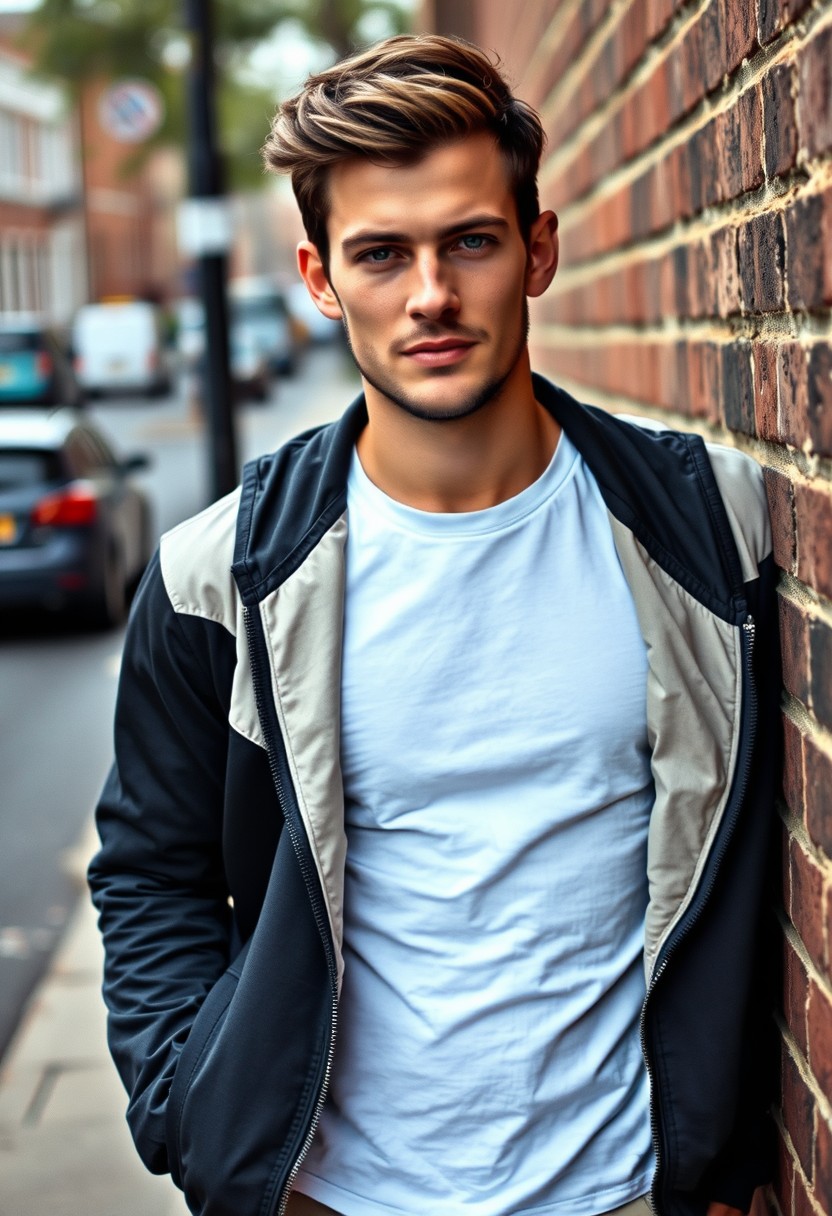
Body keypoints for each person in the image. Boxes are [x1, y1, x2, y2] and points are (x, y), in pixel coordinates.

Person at [89, 33, 780, 1216]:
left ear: (538, 250)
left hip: (623, 1192)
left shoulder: (703, 529)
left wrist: (714, 1159)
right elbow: (151, 874)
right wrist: (189, 1106)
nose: (430, 295)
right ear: (318, 278)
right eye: (379, 254)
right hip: (336, 1197)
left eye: (469, 240)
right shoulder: (222, 578)